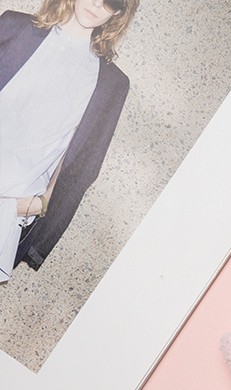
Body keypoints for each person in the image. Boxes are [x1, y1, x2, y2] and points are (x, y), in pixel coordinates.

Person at [0, 0, 138, 283]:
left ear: (119, 12)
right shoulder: (13, 26)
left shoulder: (111, 85)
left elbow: (84, 166)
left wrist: (37, 205)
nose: (98, 4)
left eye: (112, 1)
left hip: (7, 208)